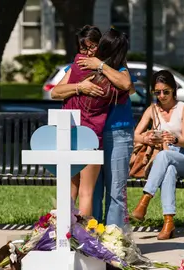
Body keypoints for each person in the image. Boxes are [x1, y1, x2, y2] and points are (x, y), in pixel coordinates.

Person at [51, 26, 135, 226]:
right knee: (92, 190)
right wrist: (80, 87)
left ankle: (115, 240)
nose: (88, 52)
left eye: (92, 47)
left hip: (116, 131)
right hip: (89, 134)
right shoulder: (78, 66)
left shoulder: (117, 68)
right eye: (84, 48)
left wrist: (100, 65)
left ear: (102, 47)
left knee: (115, 190)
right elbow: (56, 92)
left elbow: (127, 86)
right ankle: (92, 238)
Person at [131, 70, 184, 240]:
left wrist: (173, 139)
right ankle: (168, 222)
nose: (161, 95)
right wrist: (148, 137)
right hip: (164, 158)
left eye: (165, 91)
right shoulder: (152, 109)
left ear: (173, 89)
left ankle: (145, 199)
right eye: (157, 92)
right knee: (168, 170)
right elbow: (134, 135)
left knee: (166, 158)